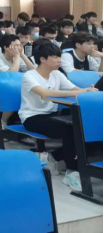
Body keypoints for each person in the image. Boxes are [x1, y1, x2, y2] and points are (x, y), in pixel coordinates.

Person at [20, 42, 98, 172]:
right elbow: (45, 93)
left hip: (52, 115)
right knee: (71, 130)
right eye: (55, 57)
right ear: (43, 59)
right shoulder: (29, 76)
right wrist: (80, 92)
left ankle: (55, 156)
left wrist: (88, 91)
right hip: (32, 117)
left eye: (59, 57)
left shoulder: (57, 74)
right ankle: (72, 169)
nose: (59, 60)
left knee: (86, 127)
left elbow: (74, 89)